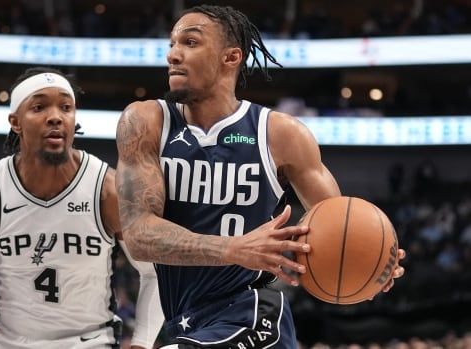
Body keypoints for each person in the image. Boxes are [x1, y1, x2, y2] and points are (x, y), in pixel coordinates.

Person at [115, 5, 406, 349]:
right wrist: (234, 248)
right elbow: (138, 236)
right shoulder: (145, 122)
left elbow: (338, 227)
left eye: (190, 42)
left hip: (254, 317)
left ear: (231, 57)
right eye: (172, 43)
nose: (173, 54)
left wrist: (369, 262)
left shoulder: (281, 134)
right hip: (186, 322)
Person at [0, 67, 163, 349]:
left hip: (89, 343)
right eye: (39, 107)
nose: (56, 116)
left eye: (66, 107)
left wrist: (141, 344)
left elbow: (154, 272)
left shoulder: (107, 189)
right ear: (16, 122)